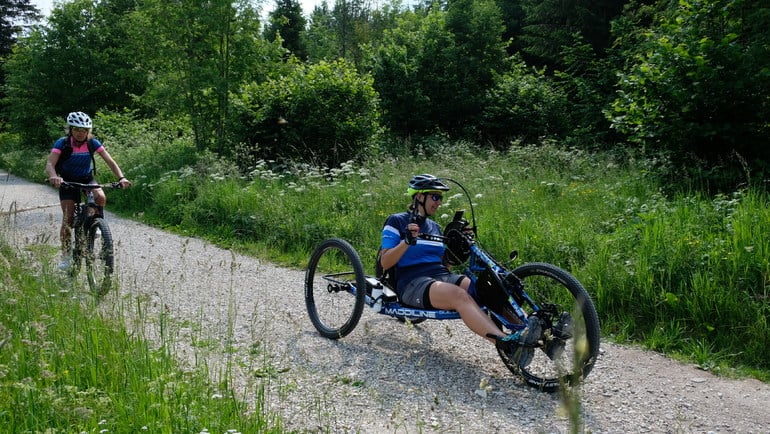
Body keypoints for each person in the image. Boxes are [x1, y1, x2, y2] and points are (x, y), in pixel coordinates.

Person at [379, 174, 541, 368]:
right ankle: (506, 344)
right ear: (418, 197)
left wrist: (459, 246)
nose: (439, 202)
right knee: (459, 295)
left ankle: (529, 329)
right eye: (435, 197)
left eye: (441, 198)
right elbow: (385, 262)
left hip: (440, 275)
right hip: (412, 281)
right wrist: (406, 241)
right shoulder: (397, 221)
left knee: (487, 289)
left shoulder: (435, 227)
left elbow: (445, 265)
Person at [44, 112, 131, 270]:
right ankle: (65, 256)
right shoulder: (62, 143)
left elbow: (110, 161)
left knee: (100, 197)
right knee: (68, 218)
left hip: (86, 178)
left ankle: (95, 224)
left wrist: (121, 178)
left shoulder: (92, 143)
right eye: (77, 129)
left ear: (88, 131)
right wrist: (54, 176)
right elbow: (50, 163)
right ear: (71, 129)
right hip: (67, 181)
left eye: (84, 129)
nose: (80, 132)